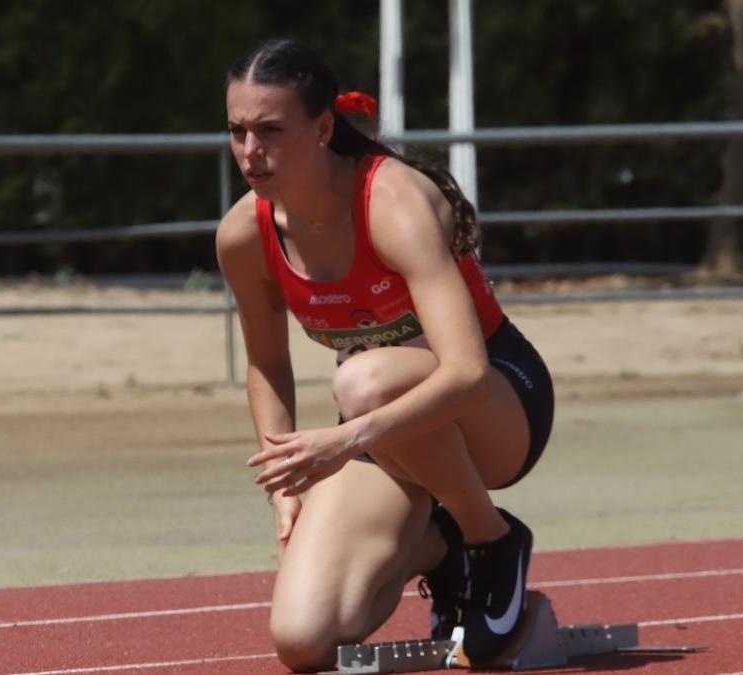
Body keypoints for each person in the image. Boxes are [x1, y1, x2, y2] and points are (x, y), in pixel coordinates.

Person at [215, 38, 555, 672]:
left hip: (496, 408)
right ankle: (439, 546)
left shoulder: (392, 203)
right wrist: (284, 491)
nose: (250, 152)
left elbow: (466, 372)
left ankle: (491, 539)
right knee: (303, 641)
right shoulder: (244, 234)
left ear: (322, 128)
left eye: (270, 130)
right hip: (384, 423)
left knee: (363, 379)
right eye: (237, 132)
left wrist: (343, 443)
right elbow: (267, 365)